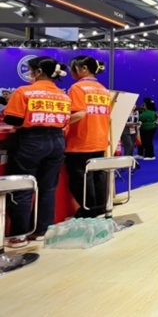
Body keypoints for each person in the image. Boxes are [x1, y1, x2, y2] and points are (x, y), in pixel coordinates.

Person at [2, 57, 70, 248]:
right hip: (57, 140)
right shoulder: (63, 96)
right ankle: (42, 230)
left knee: (22, 187)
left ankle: (19, 235)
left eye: (30, 70)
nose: (29, 74)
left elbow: (13, 119)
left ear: (39, 71)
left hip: (30, 141)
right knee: (47, 188)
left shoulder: (24, 92)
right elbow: (65, 121)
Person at [65, 56, 112, 218]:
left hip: (81, 140)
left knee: (81, 178)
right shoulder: (103, 89)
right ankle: (100, 208)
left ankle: (88, 210)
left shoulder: (78, 88)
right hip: (100, 139)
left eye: (72, 68)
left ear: (83, 68)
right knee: (97, 175)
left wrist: (61, 121)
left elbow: (79, 113)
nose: (70, 72)